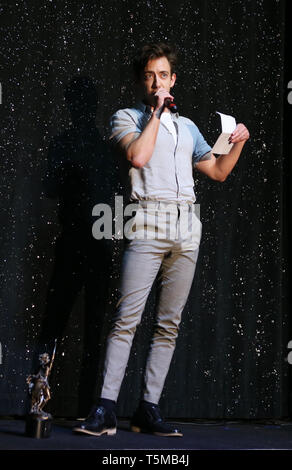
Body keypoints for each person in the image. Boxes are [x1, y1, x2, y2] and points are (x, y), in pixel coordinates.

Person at [73, 43, 249, 437]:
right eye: (150, 75)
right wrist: (155, 112)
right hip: (147, 220)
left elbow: (218, 172)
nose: (157, 81)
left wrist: (237, 142)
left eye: (164, 75)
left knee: (168, 324)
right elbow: (138, 156)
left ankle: (147, 408)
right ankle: (104, 408)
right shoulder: (128, 118)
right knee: (126, 320)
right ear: (143, 81)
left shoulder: (187, 127)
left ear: (173, 79)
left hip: (187, 226)